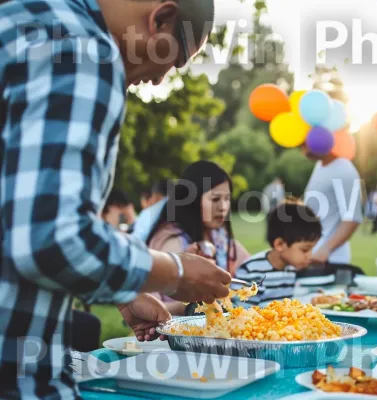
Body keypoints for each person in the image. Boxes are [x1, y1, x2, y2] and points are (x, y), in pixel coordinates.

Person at [0, 0, 232, 397]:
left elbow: (17, 216)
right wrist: (174, 272)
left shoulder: (23, 17)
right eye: (173, 63)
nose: (159, 81)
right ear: (161, 18)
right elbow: (50, 239)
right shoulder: (87, 54)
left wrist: (124, 292)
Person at [146, 161, 251, 314]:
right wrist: (194, 305)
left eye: (227, 199)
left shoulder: (219, 237)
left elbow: (250, 267)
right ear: (192, 200)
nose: (223, 207)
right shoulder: (172, 240)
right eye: (215, 199)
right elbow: (149, 304)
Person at [235, 201, 322, 306]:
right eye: (304, 250)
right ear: (280, 244)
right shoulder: (251, 271)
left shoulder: (291, 269)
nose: (309, 256)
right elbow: (243, 314)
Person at [302, 147, 363, 278]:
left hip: (330, 262)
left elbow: (352, 218)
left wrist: (325, 249)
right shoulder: (319, 166)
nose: (303, 148)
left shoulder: (344, 169)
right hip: (311, 258)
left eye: (304, 143)